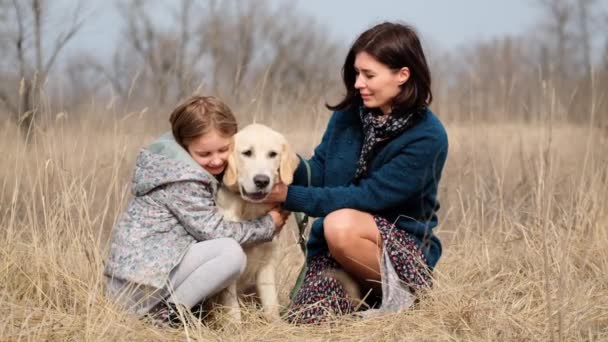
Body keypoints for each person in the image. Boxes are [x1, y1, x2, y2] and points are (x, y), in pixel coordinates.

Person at [263, 22, 448, 324]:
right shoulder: (349, 114)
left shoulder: (428, 137)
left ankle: (405, 299)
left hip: (400, 251)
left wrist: (289, 196)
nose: (358, 83)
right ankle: (366, 300)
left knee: (340, 224)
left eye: (369, 75)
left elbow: (367, 197)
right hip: (337, 254)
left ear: (402, 75)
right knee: (307, 321)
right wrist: (276, 163)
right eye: (356, 73)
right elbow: (320, 170)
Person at [103, 96, 289, 327]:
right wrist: (268, 225)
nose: (217, 160)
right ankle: (168, 315)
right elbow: (214, 232)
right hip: (137, 290)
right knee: (230, 253)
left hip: (148, 278)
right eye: (205, 154)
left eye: (223, 150)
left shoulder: (180, 165)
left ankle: (177, 309)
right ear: (184, 146)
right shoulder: (183, 179)